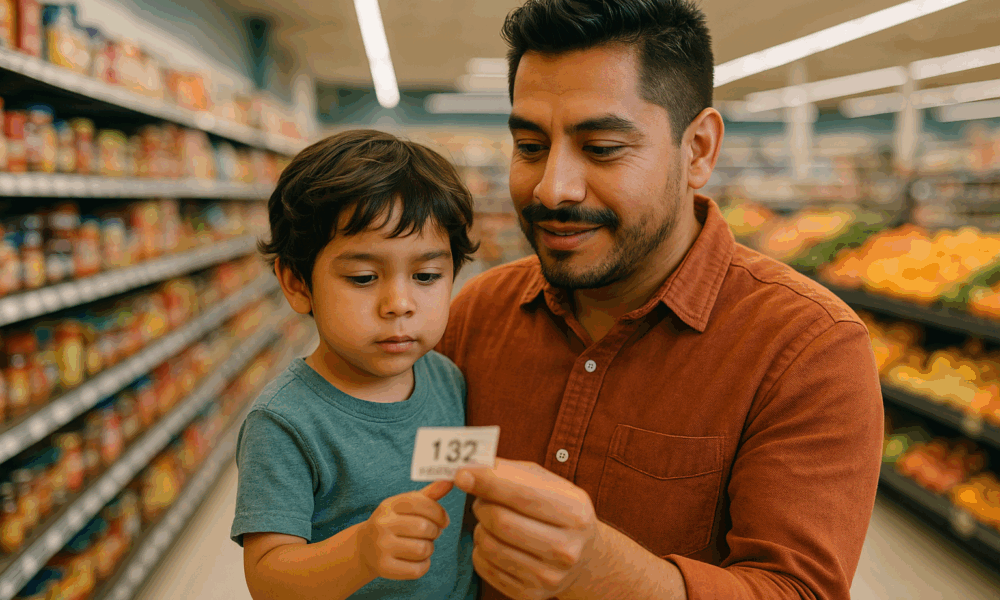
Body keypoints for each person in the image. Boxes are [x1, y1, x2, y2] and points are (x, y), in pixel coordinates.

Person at [435, 1, 884, 599]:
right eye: (530, 145)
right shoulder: (477, 312)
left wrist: (610, 573)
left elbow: (799, 590)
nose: (552, 189)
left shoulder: (807, 348)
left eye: (601, 149)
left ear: (697, 149)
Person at [231, 129, 481, 600]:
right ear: (297, 283)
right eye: (364, 277)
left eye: (426, 276)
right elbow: (267, 578)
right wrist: (362, 551)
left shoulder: (448, 379)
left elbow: (458, 495)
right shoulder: (285, 424)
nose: (399, 303)